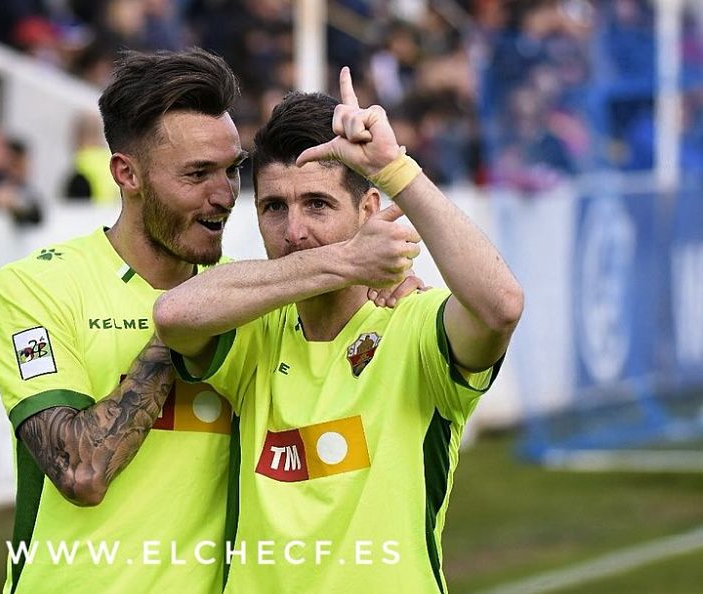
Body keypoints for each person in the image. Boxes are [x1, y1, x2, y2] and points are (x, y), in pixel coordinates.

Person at [0, 50, 422, 593]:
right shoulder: (38, 287)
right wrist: (184, 326)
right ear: (128, 174)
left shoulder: (258, 297)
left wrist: (388, 285)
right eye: (197, 174)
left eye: (231, 171)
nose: (222, 196)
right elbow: (82, 470)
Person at [153, 70, 524, 593]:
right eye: (273, 207)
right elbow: (173, 314)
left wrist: (394, 170)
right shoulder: (253, 322)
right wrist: (348, 260)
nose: (295, 231)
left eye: (318, 204)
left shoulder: (414, 324)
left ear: (369, 210)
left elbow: (502, 306)